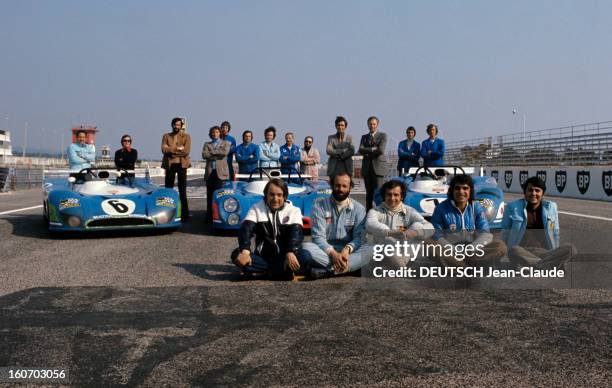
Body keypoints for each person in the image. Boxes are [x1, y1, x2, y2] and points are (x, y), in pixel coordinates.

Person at [231, 178, 311, 279]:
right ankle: (280, 273)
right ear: (266, 195)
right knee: (236, 254)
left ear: (285, 196)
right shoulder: (256, 208)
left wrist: (290, 251)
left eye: (279, 195)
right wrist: (245, 251)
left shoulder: (294, 210)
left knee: (305, 256)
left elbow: (296, 234)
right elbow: (246, 229)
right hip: (263, 258)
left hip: (285, 257)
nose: (275, 198)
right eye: (271, 194)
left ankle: (264, 273)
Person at [429, 174, 507, 267]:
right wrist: (453, 250)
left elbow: (485, 233)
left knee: (500, 246)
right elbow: (437, 236)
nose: (461, 191)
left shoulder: (476, 206)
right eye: (457, 188)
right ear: (451, 191)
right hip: (450, 251)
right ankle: (468, 266)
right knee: (429, 244)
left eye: (465, 188)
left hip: (472, 249)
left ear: (470, 191)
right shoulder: (441, 208)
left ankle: (460, 266)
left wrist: (470, 249)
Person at [301, 173, 369, 279]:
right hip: (326, 252)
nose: (340, 189)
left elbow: (359, 237)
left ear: (350, 187)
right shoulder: (319, 205)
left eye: (344, 186)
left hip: (349, 252)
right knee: (306, 247)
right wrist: (333, 254)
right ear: (332, 185)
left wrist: (347, 249)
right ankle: (349, 268)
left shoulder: (359, 209)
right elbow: (318, 237)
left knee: (372, 248)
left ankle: (330, 271)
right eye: (337, 185)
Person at [502, 176, 576, 269]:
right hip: (521, 251)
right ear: (524, 192)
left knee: (570, 249)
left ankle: (538, 266)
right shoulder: (512, 207)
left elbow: (555, 233)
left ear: (542, 193)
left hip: (545, 252)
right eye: (530, 190)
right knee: (513, 250)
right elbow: (505, 232)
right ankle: (549, 265)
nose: (533, 193)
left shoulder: (551, 207)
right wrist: (503, 255)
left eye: (537, 190)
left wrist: (555, 252)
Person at [365, 180, 434, 267]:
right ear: (384, 196)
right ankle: (403, 267)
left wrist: (415, 233)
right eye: (389, 194)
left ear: (401, 197)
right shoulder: (375, 211)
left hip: (405, 251)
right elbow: (370, 224)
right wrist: (391, 233)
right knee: (388, 241)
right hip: (383, 252)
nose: (392, 198)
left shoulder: (409, 211)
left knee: (418, 226)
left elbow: (431, 227)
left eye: (396, 195)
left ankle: (401, 264)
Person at [162, 117, 191, 221]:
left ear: (181, 126)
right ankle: (166, 212)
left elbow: (186, 151)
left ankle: (185, 214)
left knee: (182, 190)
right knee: (168, 189)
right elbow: (163, 150)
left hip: (182, 165)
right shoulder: (166, 136)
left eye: (178, 125)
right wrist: (177, 148)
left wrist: (171, 150)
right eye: (175, 124)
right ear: (172, 125)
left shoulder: (186, 136)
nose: (176, 126)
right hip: (170, 165)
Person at [359, 116, 388, 212]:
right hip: (367, 169)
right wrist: (372, 149)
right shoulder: (364, 137)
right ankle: (368, 216)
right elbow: (360, 150)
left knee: (378, 194)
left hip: (378, 169)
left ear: (377, 125)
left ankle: (380, 215)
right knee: (369, 195)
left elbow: (381, 150)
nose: (372, 126)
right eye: (370, 124)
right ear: (368, 124)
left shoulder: (383, 136)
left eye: (374, 124)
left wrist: (368, 151)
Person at [202, 126, 231, 223]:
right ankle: (209, 216)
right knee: (209, 195)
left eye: (217, 132)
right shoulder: (207, 144)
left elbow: (224, 153)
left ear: (220, 133)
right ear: (211, 134)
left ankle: (219, 216)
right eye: (213, 132)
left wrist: (212, 153)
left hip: (221, 173)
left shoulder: (226, 143)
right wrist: (216, 153)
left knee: (219, 195)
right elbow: (204, 155)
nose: (215, 134)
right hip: (210, 172)